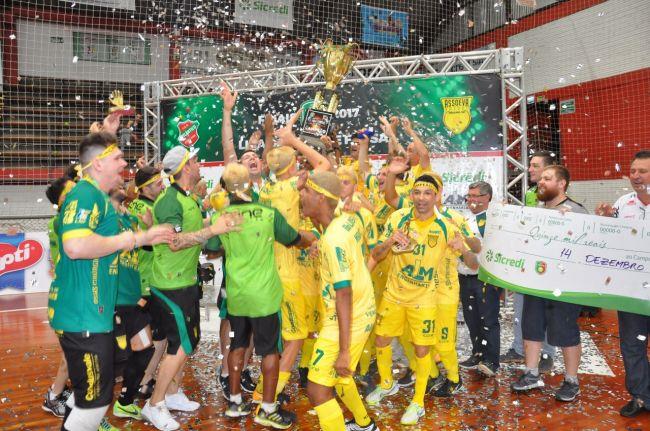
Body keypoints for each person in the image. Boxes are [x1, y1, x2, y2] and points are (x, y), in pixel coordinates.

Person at [48, 132, 174, 431]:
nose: (124, 163)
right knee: (94, 403)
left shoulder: (99, 199)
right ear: (99, 164)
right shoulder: (85, 194)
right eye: (117, 158)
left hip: (93, 316)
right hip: (83, 318)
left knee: (89, 397)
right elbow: (75, 247)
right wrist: (136, 238)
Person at [142, 145, 242, 430]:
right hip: (169, 282)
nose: (199, 164)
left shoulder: (187, 199)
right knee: (183, 344)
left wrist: (216, 222)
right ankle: (154, 404)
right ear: (185, 167)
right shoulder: (170, 201)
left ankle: (171, 394)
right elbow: (173, 242)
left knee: (186, 342)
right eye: (195, 160)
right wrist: (212, 230)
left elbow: (191, 230)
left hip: (184, 280)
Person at [205, 163, 310, 429]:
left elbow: (211, 249)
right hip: (264, 296)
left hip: (238, 295)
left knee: (238, 345)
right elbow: (293, 238)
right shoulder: (267, 213)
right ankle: (268, 408)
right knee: (269, 351)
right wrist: (312, 239)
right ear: (250, 185)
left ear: (225, 188)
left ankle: (235, 402)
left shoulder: (223, 216)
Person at [365, 174, 475, 425]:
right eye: (417, 193)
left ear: (437, 196)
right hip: (394, 295)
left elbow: (473, 263)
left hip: (425, 299)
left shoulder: (447, 226)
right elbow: (377, 253)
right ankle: (386, 383)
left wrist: (464, 247)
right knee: (381, 340)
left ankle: (418, 402)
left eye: (428, 193)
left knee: (422, 348)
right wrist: (391, 240)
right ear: (411, 195)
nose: (422, 198)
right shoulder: (397, 218)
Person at [255, 113, 331, 403]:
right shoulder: (291, 187)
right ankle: (266, 397)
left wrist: (271, 133)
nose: (301, 162)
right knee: (296, 337)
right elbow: (323, 165)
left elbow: (271, 161)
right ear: (291, 167)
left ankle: (269, 390)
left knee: (288, 336)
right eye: (296, 160)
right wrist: (293, 141)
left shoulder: (267, 189)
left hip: (276, 269)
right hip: (290, 273)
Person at [300, 170, 379, 431]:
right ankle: (366, 425)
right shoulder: (344, 217)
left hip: (349, 315)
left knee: (318, 390)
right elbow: (358, 214)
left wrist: (344, 350)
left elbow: (343, 293)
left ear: (322, 198)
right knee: (342, 378)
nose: (300, 196)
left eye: (306, 191)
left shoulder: (333, 239)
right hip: (357, 309)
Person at [511, 165, 587, 402]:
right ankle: (532, 373)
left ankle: (571, 380)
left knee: (565, 333)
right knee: (531, 328)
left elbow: (585, 250)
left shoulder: (576, 211)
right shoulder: (537, 211)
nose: (540, 182)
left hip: (563, 288)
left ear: (562, 183)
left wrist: (569, 227)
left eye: (547, 178)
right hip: (536, 282)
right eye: (540, 178)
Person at [596, 150, 650, 417]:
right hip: (630, 292)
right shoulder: (623, 204)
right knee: (631, 344)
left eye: (643, 171)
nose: (636, 176)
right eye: (633, 171)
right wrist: (605, 220)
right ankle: (641, 397)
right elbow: (610, 244)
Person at [502, 150, 557, 373]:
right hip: (528, 259)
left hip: (547, 263)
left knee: (545, 309)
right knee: (521, 306)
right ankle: (518, 347)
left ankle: (547, 353)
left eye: (535, 166)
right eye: (531, 165)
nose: (530, 169)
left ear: (549, 169)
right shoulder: (531, 192)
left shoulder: (556, 194)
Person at [109, 181, 156, 422]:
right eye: (118, 181)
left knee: (145, 347)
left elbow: (147, 248)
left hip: (131, 296)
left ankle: (125, 402)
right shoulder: (105, 217)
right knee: (109, 359)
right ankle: (86, 415)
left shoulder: (129, 218)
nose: (123, 184)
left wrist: (148, 228)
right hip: (112, 299)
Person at [127, 166, 166, 399]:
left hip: (137, 279)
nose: (162, 186)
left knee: (142, 338)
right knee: (160, 338)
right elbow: (149, 243)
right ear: (145, 187)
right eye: (158, 183)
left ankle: (136, 381)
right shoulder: (146, 209)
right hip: (148, 281)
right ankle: (145, 382)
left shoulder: (134, 205)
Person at [457, 182, 502, 377]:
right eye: (469, 196)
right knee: (471, 318)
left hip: (485, 277)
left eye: (476, 196)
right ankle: (477, 352)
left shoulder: (494, 218)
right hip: (464, 276)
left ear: (487, 198)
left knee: (488, 319)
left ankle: (491, 360)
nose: (472, 200)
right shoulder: (463, 218)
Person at [42, 174, 76, 417]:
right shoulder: (61, 222)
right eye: (72, 192)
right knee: (71, 355)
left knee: (75, 353)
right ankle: (53, 396)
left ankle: (61, 391)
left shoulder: (65, 220)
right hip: (66, 297)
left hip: (68, 294)